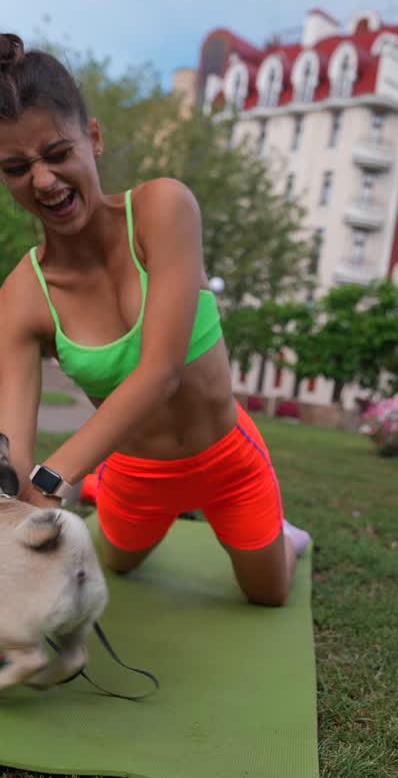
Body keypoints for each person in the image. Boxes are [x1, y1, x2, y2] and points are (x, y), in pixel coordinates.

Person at [0, 33, 310, 606]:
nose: (42, 180)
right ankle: (100, 484)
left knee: (268, 593)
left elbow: (160, 370)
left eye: (57, 153)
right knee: (117, 563)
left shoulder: (164, 209)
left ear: (92, 139)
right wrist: (12, 506)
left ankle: (284, 535)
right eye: (17, 168)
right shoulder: (22, 294)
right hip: (136, 473)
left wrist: (53, 479)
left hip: (227, 458)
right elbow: (14, 451)